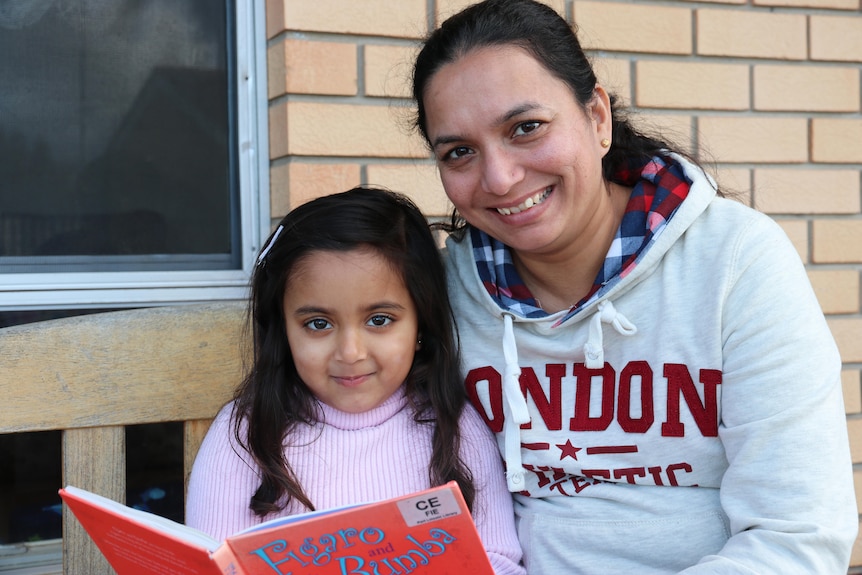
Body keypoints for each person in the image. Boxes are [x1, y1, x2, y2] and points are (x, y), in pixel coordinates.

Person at [410, 0, 858, 573]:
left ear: (597, 117)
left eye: (526, 128)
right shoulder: (443, 295)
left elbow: (797, 534)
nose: (499, 178)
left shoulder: (735, 261)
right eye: (459, 152)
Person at [186, 187, 525, 574]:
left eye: (379, 320)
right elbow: (210, 564)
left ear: (421, 323)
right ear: (283, 331)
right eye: (318, 324)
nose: (350, 352)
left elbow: (497, 562)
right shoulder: (245, 433)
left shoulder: (454, 427)